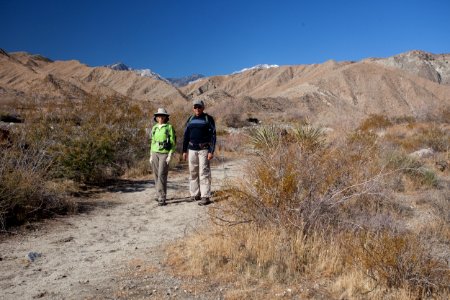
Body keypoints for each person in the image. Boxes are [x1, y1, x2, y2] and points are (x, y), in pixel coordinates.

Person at [182, 99, 216, 206]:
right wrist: (184, 151)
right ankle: (195, 194)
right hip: (192, 149)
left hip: (204, 150)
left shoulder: (208, 119)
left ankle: (205, 196)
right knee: (193, 172)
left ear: (203, 108)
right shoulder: (190, 119)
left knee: (203, 172)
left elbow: (213, 135)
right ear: (193, 108)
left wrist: (211, 151)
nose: (197, 109)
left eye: (199, 107)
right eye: (195, 107)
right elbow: (186, 136)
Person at [149, 108, 176, 206]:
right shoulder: (155, 127)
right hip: (155, 152)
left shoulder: (169, 127)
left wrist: (170, 155)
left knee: (161, 174)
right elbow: (152, 141)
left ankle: (162, 196)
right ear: (156, 117)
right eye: (158, 116)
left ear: (165, 117)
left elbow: (173, 142)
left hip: (164, 153)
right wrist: (151, 155)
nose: (160, 118)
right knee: (156, 174)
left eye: (162, 116)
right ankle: (158, 193)